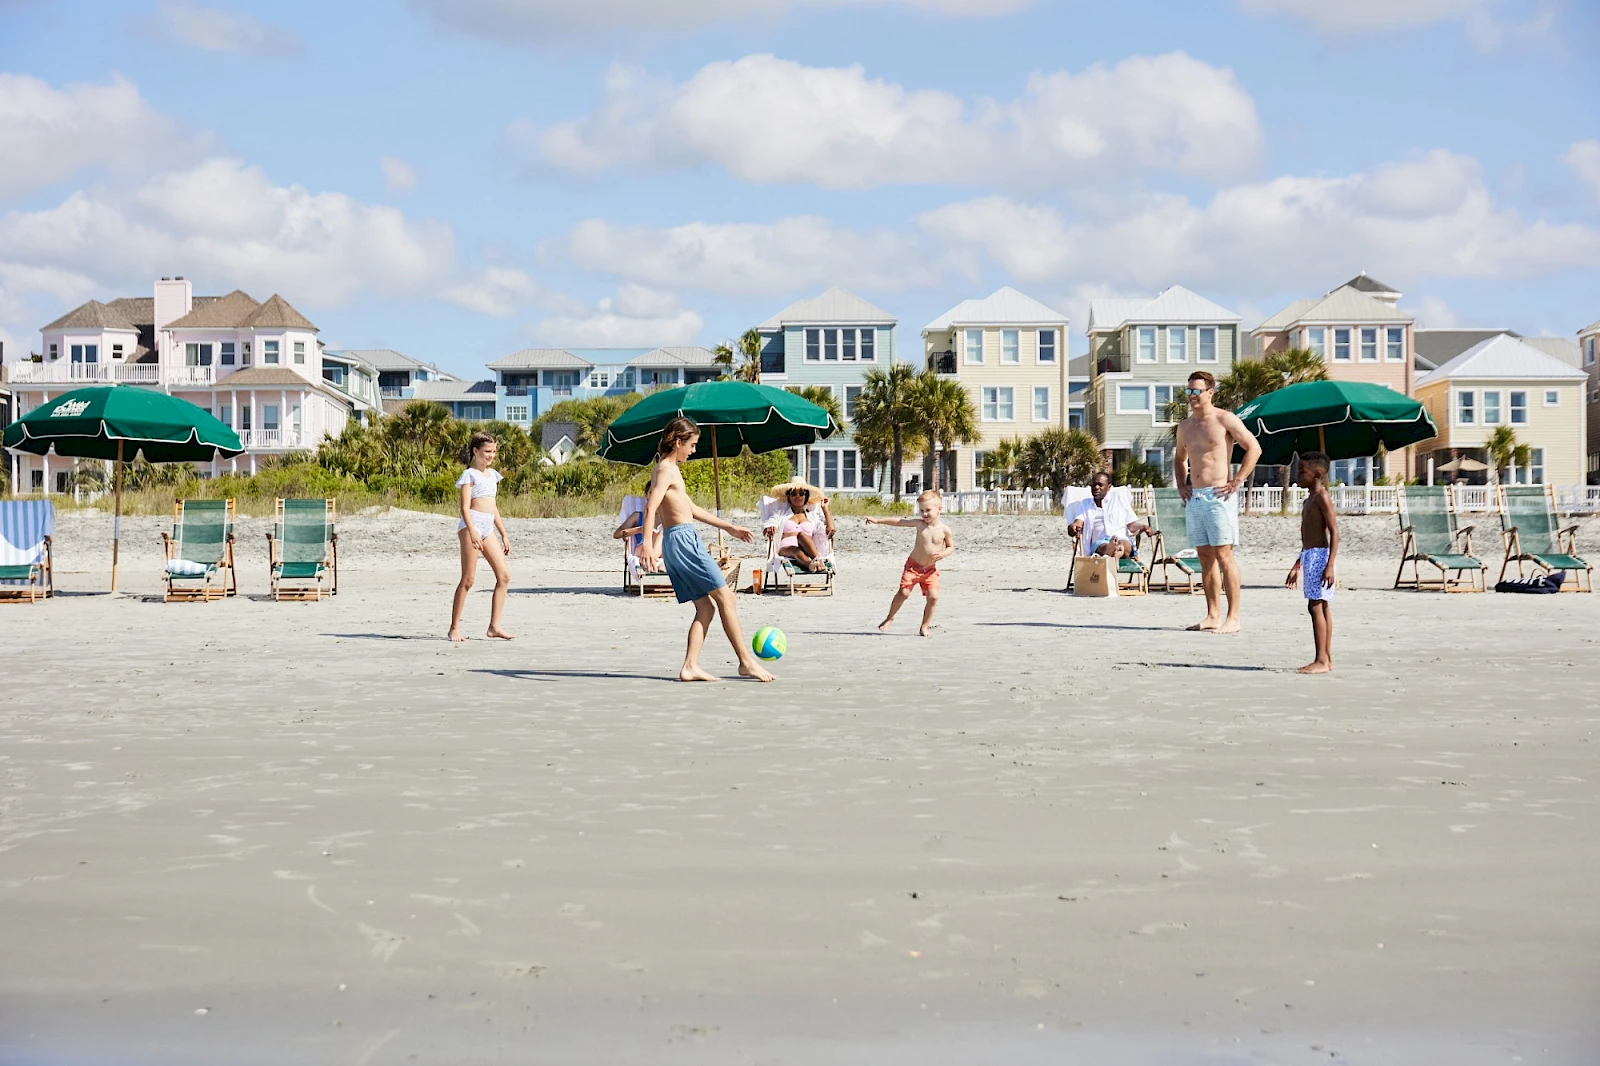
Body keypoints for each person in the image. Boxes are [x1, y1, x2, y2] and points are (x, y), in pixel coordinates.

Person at [638, 417, 775, 683]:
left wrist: (730, 527)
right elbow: (650, 507)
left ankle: (690, 666)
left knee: (706, 608)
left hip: (677, 541)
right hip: (683, 541)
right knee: (727, 599)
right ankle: (746, 662)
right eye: (691, 444)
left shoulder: (668, 469)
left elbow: (690, 509)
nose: (693, 450)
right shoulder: (666, 469)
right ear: (678, 442)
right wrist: (645, 543)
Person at [1174, 370, 1261, 633]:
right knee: (1204, 557)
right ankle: (1212, 615)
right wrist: (1181, 485)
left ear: (1210, 392)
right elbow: (1180, 459)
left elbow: (1254, 448)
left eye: (1196, 391)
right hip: (1196, 496)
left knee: (1224, 555)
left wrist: (1237, 482)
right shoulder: (1185, 426)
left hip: (1218, 496)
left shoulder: (1225, 419)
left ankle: (1233, 618)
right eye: (1188, 391)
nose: (1191, 396)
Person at [449, 431, 514, 642]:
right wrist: (473, 531)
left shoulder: (493, 475)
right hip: (471, 526)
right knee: (468, 580)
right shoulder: (469, 475)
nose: (491, 455)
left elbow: (493, 507)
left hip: (488, 528)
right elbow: (464, 508)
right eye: (487, 451)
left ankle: (494, 626)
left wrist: (503, 534)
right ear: (475, 451)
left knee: (504, 576)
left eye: (493, 452)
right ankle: (454, 628)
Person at [868, 489, 955, 637]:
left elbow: (951, 547)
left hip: (930, 570)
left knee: (933, 597)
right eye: (921, 510)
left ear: (939, 509)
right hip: (913, 567)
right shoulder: (920, 524)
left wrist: (943, 554)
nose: (924, 514)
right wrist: (878, 520)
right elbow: (900, 522)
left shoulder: (945, 530)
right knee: (904, 592)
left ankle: (925, 626)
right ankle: (890, 617)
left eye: (928, 510)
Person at [1285, 451, 1338, 674]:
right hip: (1310, 555)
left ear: (1317, 474)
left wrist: (1330, 565)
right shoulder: (1308, 500)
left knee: (1316, 605)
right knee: (1320, 605)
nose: (1298, 475)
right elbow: (1308, 537)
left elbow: (1334, 532)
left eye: (1302, 471)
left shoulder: (1321, 498)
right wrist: (1297, 564)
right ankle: (1326, 658)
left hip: (1321, 556)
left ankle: (1321, 660)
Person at [1065, 470, 1150, 560]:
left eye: (1100, 485)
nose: (1096, 487)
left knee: (1124, 544)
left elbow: (1131, 525)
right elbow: (1078, 522)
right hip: (1100, 541)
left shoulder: (1118, 499)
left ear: (1109, 487)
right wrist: (1073, 526)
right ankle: (1115, 551)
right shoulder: (1085, 504)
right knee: (1104, 547)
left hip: (1121, 537)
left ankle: (1115, 551)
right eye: (1094, 485)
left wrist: (1143, 527)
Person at [765, 480, 836, 572]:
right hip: (787, 549)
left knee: (801, 535)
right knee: (795, 550)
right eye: (793, 494)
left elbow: (830, 530)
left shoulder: (812, 517)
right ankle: (810, 565)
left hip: (808, 550)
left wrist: (825, 509)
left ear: (805, 496)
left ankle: (817, 561)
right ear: (788, 497)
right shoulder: (781, 515)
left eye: (801, 493)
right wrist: (771, 527)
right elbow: (770, 523)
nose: (798, 496)